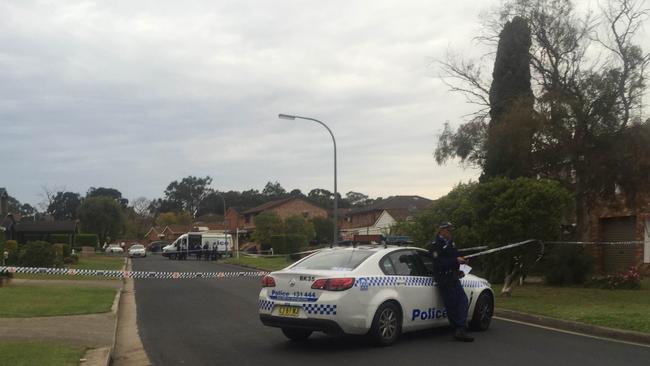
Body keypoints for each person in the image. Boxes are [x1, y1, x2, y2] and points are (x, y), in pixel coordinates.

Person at [429, 222, 474, 342]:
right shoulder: (435, 245)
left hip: (453, 276)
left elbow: (455, 256)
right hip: (444, 277)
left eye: (451, 230)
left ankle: (459, 327)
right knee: (453, 303)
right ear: (441, 230)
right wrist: (455, 260)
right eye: (448, 230)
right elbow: (439, 263)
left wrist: (462, 260)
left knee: (463, 300)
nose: (450, 233)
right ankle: (459, 328)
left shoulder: (451, 243)